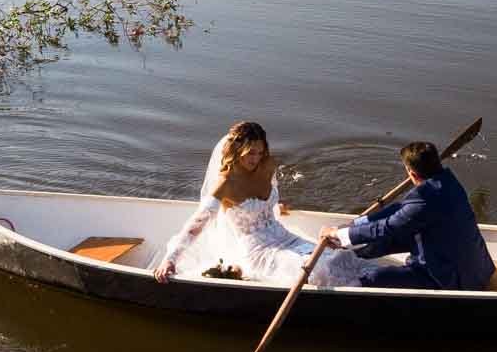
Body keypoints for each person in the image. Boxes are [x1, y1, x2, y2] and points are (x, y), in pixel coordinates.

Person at [152, 120, 367, 287]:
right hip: (258, 250)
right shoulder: (226, 184)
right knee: (317, 270)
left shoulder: (267, 165)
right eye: (250, 153)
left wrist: (275, 207)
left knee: (338, 256)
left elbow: (271, 193)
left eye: (260, 152)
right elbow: (197, 224)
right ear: (237, 151)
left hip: (283, 236)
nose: (256, 158)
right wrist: (170, 259)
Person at [318, 140, 495, 290]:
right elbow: (401, 209)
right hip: (479, 266)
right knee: (385, 241)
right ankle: (355, 251)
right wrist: (355, 225)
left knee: (376, 276)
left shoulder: (425, 199)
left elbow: (387, 227)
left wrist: (337, 233)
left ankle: (351, 268)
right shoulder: (448, 182)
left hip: (453, 279)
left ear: (411, 173)